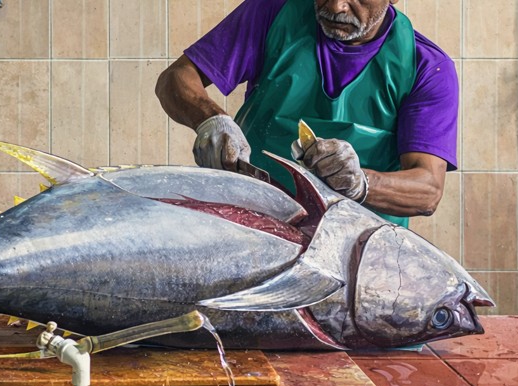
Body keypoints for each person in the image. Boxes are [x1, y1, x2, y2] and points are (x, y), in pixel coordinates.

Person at [155, 0, 458, 227]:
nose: (336, 6)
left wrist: (362, 182)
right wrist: (211, 120)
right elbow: (176, 79)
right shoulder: (272, 14)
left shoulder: (427, 67)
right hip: (254, 228)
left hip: (360, 252)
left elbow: (427, 190)